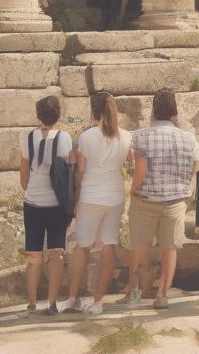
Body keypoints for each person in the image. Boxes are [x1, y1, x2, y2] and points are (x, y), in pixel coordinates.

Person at [127, 89, 199, 309]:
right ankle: (162, 294)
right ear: (174, 111)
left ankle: (138, 289)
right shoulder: (188, 138)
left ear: (153, 110)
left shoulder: (138, 136)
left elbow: (132, 164)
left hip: (144, 199)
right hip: (176, 200)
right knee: (169, 248)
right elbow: (198, 165)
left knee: (140, 247)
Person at [66, 91, 132, 313]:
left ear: (93, 111)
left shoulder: (86, 137)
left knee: (82, 246)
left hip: (91, 195)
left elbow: (80, 171)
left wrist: (76, 196)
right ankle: (98, 301)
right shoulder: (126, 136)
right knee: (109, 245)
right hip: (115, 196)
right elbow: (128, 163)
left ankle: (73, 297)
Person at [20, 95, 73, 315]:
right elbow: (68, 173)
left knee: (33, 256)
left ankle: (32, 302)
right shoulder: (64, 138)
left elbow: (23, 179)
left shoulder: (27, 137)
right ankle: (52, 303)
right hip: (56, 205)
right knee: (56, 253)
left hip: (32, 202)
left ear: (38, 114)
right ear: (58, 115)